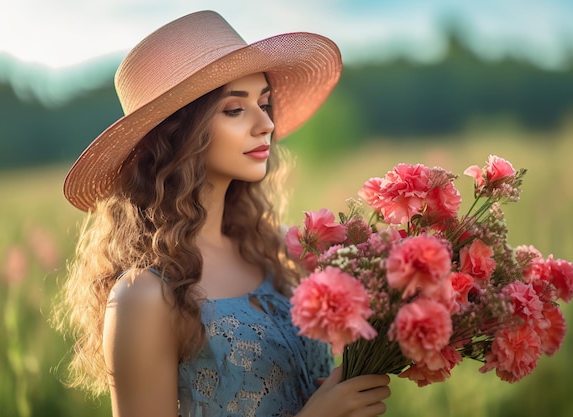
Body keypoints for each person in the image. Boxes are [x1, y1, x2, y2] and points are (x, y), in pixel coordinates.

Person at [54, 10, 391, 417]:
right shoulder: (144, 295)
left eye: (264, 103)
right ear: (178, 134)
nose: (265, 123)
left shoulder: (276, 253)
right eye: (235, 110)